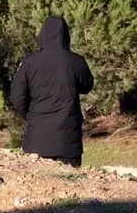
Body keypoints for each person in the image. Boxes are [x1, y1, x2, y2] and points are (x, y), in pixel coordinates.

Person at [10, 15, 94, 167]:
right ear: (66, 36)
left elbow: (17, 97)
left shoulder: (29, 62)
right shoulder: (76, 61)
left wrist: (30, 116)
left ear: (42, 35)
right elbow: (87, 86)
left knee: (38, 187)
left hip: (36, 140)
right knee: (70, 188)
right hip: (68, 143)